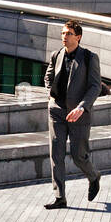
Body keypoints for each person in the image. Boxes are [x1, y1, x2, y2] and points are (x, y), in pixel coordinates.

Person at [43, 20, 102, 209]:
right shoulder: (56, 55)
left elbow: (95, 86)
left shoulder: (89, 57)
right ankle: (60, 197)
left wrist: (82, 107)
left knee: (79, 156)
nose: (64, 37)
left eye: (68, 33)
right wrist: (52, 96)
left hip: (79, 114)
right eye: (62, 33)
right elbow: (48, 77)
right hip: (57, 112)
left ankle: (93, 176)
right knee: (56, 155)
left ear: (78, 37)